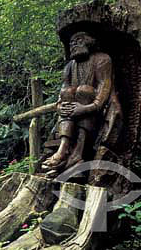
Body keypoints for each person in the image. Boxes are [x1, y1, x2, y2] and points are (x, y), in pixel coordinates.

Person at [42, 31, 120, 173]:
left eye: (78, 40)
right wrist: (61, 107)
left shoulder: (102, 59)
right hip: (73, 114)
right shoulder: (70, 66)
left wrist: (87, 108)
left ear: (89, 41)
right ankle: (63, 148)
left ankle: (78, 152)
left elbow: (103, 91)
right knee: (68, 92)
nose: (73, 45)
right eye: (71, 43)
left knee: (85, 90)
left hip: (96, 113)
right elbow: (62, 93)